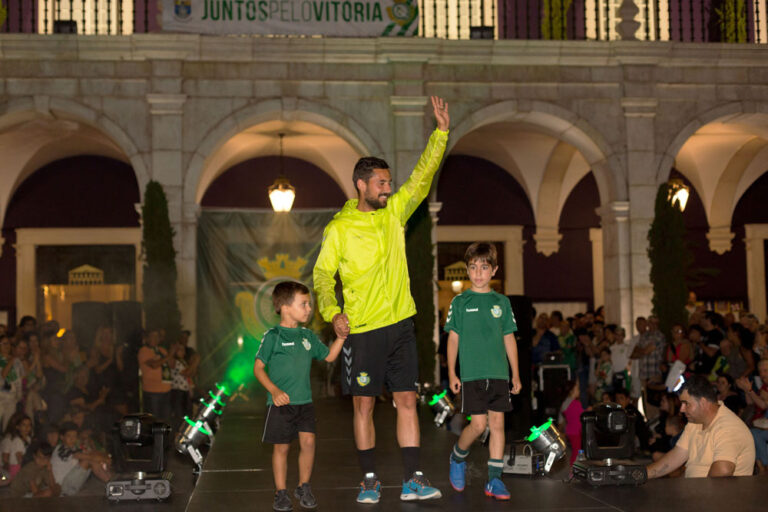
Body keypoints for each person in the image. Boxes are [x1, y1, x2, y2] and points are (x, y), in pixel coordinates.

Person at [312, 96, 449, 504]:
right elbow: (322, 276)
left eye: (389, 183)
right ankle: (370, 479)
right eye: (382, 183)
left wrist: (441, 134)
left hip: (401, 325)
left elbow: (421, 177)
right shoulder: (339, 229)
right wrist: (332, 312)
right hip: (363, 331)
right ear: (362, 184)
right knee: (364, 407)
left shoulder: (394, 214)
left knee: (407, 400)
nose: (389, 188)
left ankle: (413, 480)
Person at [254, 281, 347, 512]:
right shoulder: (273, 336)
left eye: (309, 304)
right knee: (282, 448)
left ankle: (303, 486)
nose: (309, 309)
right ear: (285, 308)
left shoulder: (308, 336)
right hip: (280, 405)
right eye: (303, 304)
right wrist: (274, 391)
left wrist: (342, 337)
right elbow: (258, 368)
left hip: (305, 403)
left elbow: (328, 357)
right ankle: (281, 492)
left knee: (309, 443)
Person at [445, 242, 521, 500]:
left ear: (494, 270)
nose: (478, 273)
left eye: (484, 267)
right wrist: (452, 373)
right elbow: (453, 339)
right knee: (478, 426)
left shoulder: (502, 302)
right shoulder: (460, 302)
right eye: (473, 267)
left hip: (498, 373)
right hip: (471, 375)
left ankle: (495, 480)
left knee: (498, 424)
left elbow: (509, 338)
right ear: (467, 270)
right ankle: (458, 457)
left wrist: (515, 373)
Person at [646, 375, 755, 478]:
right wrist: (642, 474)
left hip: (716, 491)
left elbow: (723, 471)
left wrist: (693, 490)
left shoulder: (728, 427)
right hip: (698, 487)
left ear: (702, 402)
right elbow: (676, 456)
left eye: (686, 404)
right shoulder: (695, 422)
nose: (682, 409)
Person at [51, 422, 112, 496]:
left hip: (69, 484)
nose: (72, 439)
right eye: (69, 436)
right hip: (62, 487)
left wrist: (93, 446)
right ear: (62, 437)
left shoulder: (73, 448)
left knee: (92, 459)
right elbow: (89, 457)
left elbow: (92, 454)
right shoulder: (62, 449)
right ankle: (110, 482)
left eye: (74, 436)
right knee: (88, 460)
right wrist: (106, 459)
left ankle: (110, 481)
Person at [138, 329, 177, 423]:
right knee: (153, 421)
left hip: (166, 390)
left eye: (157, 336)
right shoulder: (144, 351)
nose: (155, 339)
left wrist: (172, 353)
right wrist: (169, 355)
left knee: (166, 420)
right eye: (153, 336)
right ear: (147, 338)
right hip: (152, 392)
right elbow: (154, 365)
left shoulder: (162, 350)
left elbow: (172, 365)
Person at [558, 380, 584, 464]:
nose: (579, 391)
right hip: (575, 431)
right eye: (577, 389)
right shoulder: (575, 403)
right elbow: (582, 415)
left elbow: (562, 418)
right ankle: (573, 469)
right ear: (571, 391)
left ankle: (574, 467)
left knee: (575, 451)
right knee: (576, 452)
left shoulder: (565, 403)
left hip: (570, 431)